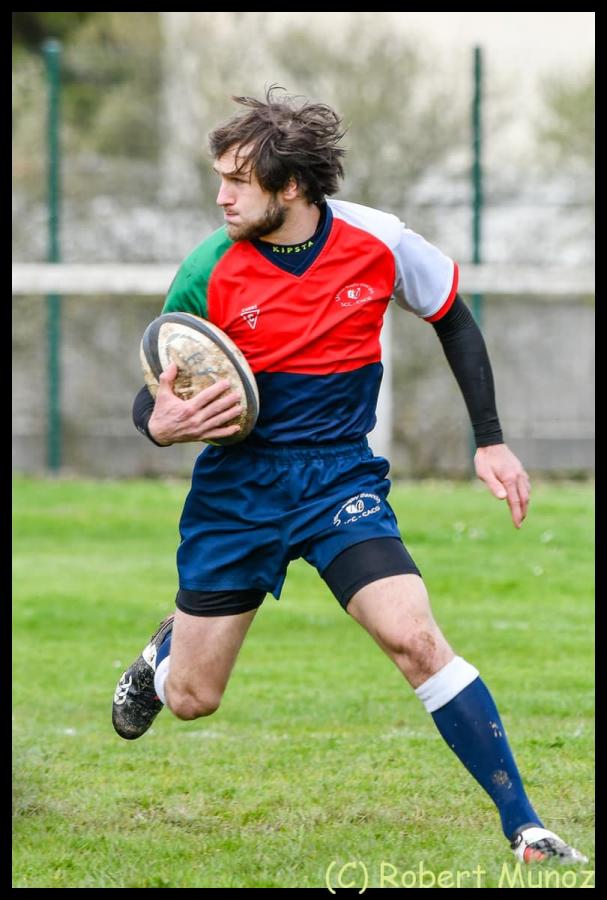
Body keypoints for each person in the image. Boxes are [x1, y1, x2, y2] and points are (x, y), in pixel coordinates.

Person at [112, 86, 586, 865]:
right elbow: (161, 383)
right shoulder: (208, 267)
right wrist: (156, 423)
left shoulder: (380, 241)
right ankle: (163, 657)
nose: (221, 196)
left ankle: (525, 828)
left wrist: (490, 441)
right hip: (238, 491)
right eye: (220, 178)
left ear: (289, 187)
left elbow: (451, 316)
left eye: (238, 180)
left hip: (338, 481)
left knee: (415, 639)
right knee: (194, 699)